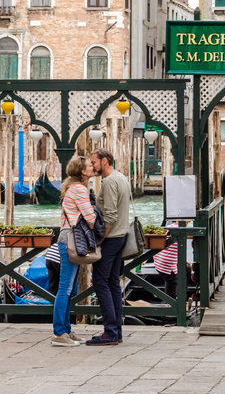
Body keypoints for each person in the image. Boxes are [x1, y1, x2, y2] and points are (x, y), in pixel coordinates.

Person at [51, 156, 96, 347]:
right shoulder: (79, 189)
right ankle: (59, 333)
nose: (93, 167)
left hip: (68, 239)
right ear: (83, 172)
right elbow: (90, 218)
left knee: (69, 289)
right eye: (89, 166)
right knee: (65, 288)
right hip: (70, 241)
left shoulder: (73, 188)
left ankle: (66, 330)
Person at [87, 148, 130, 346]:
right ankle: (116, 332)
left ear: (104, 161)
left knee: (100, 283)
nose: (93, 166)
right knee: (112, 283)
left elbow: (110, 216)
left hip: (111, 238)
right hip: (120, 236)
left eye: (94, 162)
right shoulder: (121, 177)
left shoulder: (110, 181)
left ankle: (110, 332)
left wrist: (99, 240)